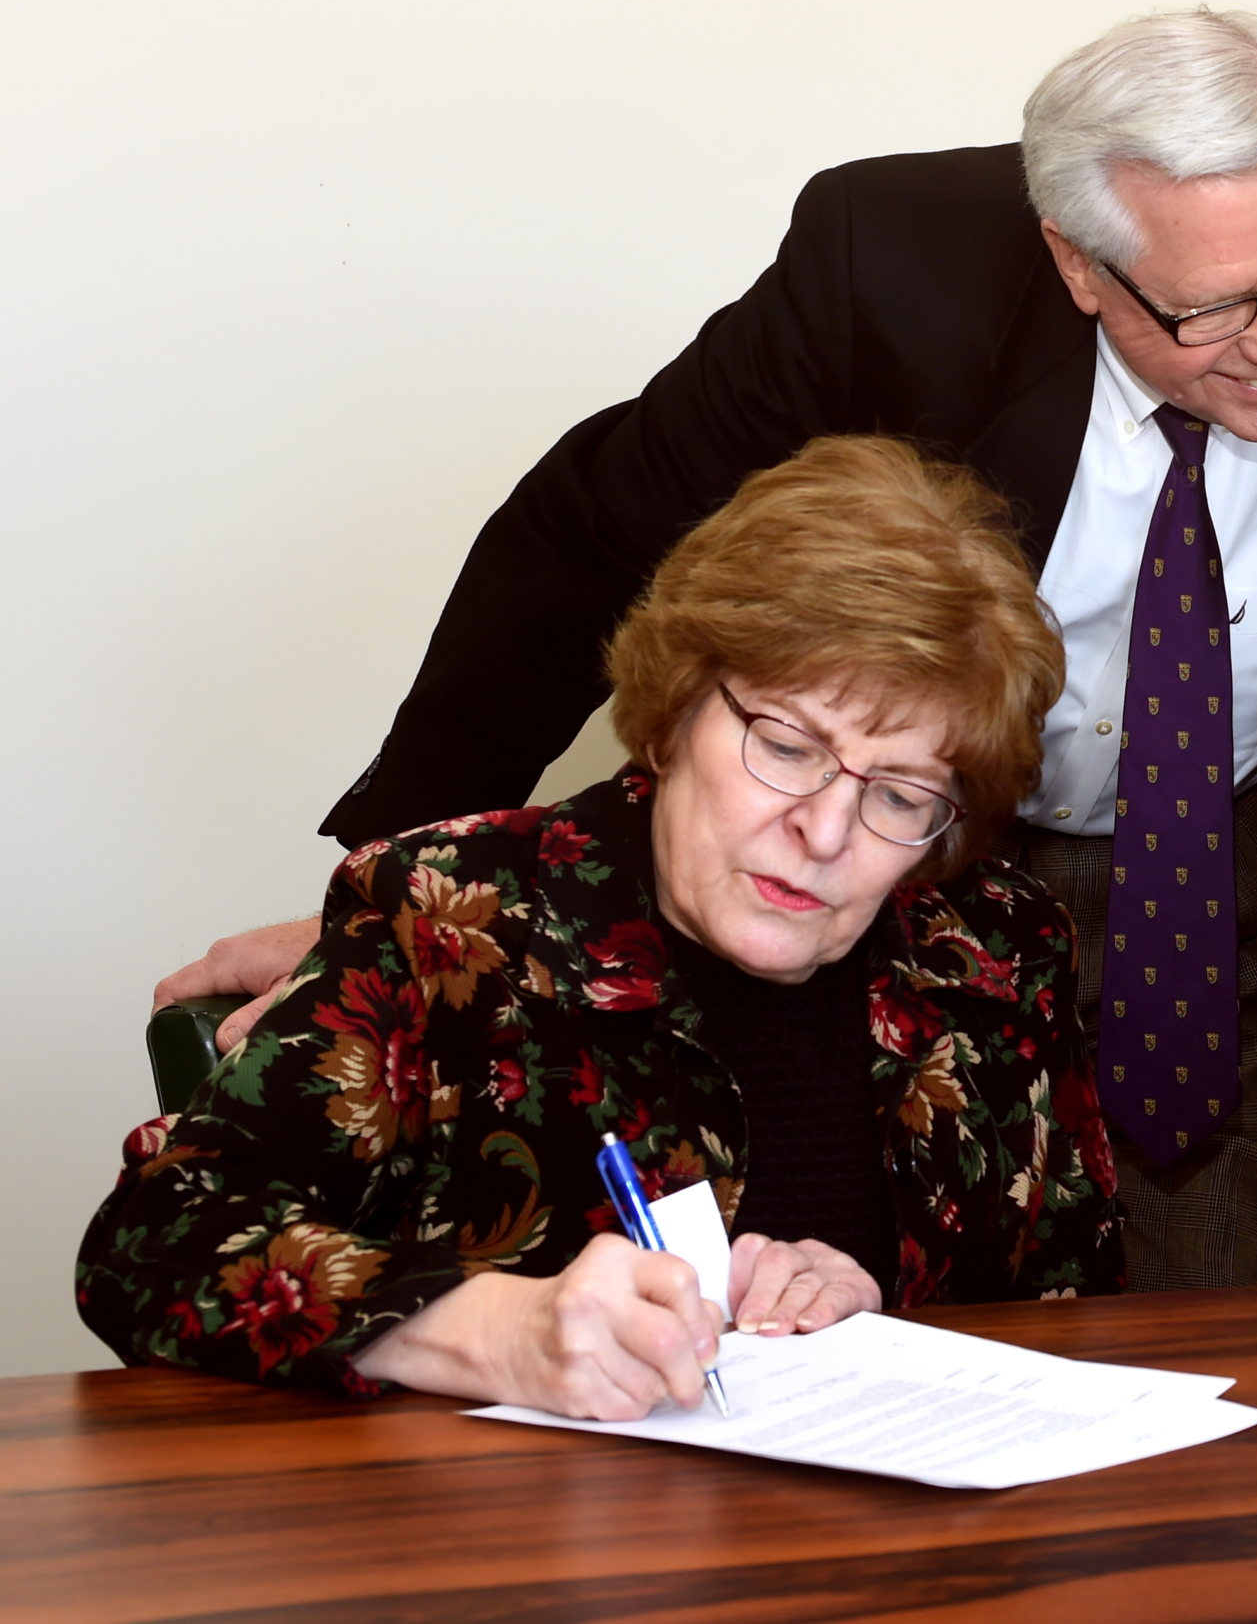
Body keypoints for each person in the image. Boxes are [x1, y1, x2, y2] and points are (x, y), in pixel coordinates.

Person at [156, 9, 1257, 1293]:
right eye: (1213, 309)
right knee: (822, 1267)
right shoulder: (889, 266)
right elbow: (592, 532)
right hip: (893, 849)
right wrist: (383, 896)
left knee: (1187, 1332)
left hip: (1203, 877)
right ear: (1076, 260)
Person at [82, 438, 1122, 1414]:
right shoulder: (455, 917)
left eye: (900, 793)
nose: (824, 828)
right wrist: (497, 1329)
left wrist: (868, 1320)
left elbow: (1081, 1317)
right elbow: (152, 1243)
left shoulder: (993, 947)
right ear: (674, 713)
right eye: (789, 743)